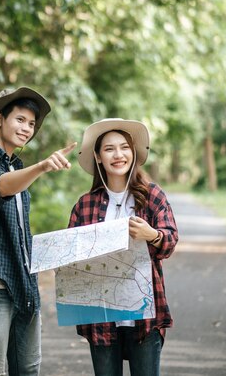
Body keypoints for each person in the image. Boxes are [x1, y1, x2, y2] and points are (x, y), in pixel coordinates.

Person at [0, 87, 76, 376]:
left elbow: (20, 232)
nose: (27, 129)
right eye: (20, 120)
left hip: (25, 285)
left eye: (32, 124)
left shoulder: (17, 167)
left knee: (29, 370)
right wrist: (43, 165)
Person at [67, 118, 178, 376]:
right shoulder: (85, 205)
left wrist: (152, 234)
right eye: (109, 149)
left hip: (144, 316)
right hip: (101, 316)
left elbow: (170, 240)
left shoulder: (152, 196)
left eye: (124, 147)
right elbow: (71, 261)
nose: (118, 155)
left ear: (133, 153)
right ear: (97, 157)